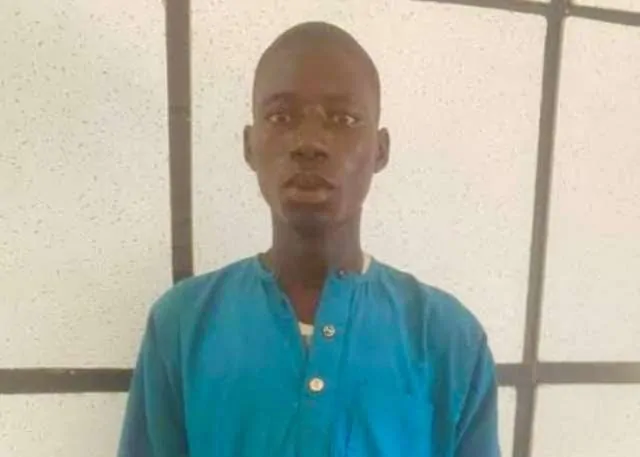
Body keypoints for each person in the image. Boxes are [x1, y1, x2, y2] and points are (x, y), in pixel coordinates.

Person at [118, 21, 500, 457]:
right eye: (281, 117)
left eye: (343, 119)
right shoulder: (182, 326)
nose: (310, 143)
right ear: (250, 145)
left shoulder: (449, 340)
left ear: (380, 150)